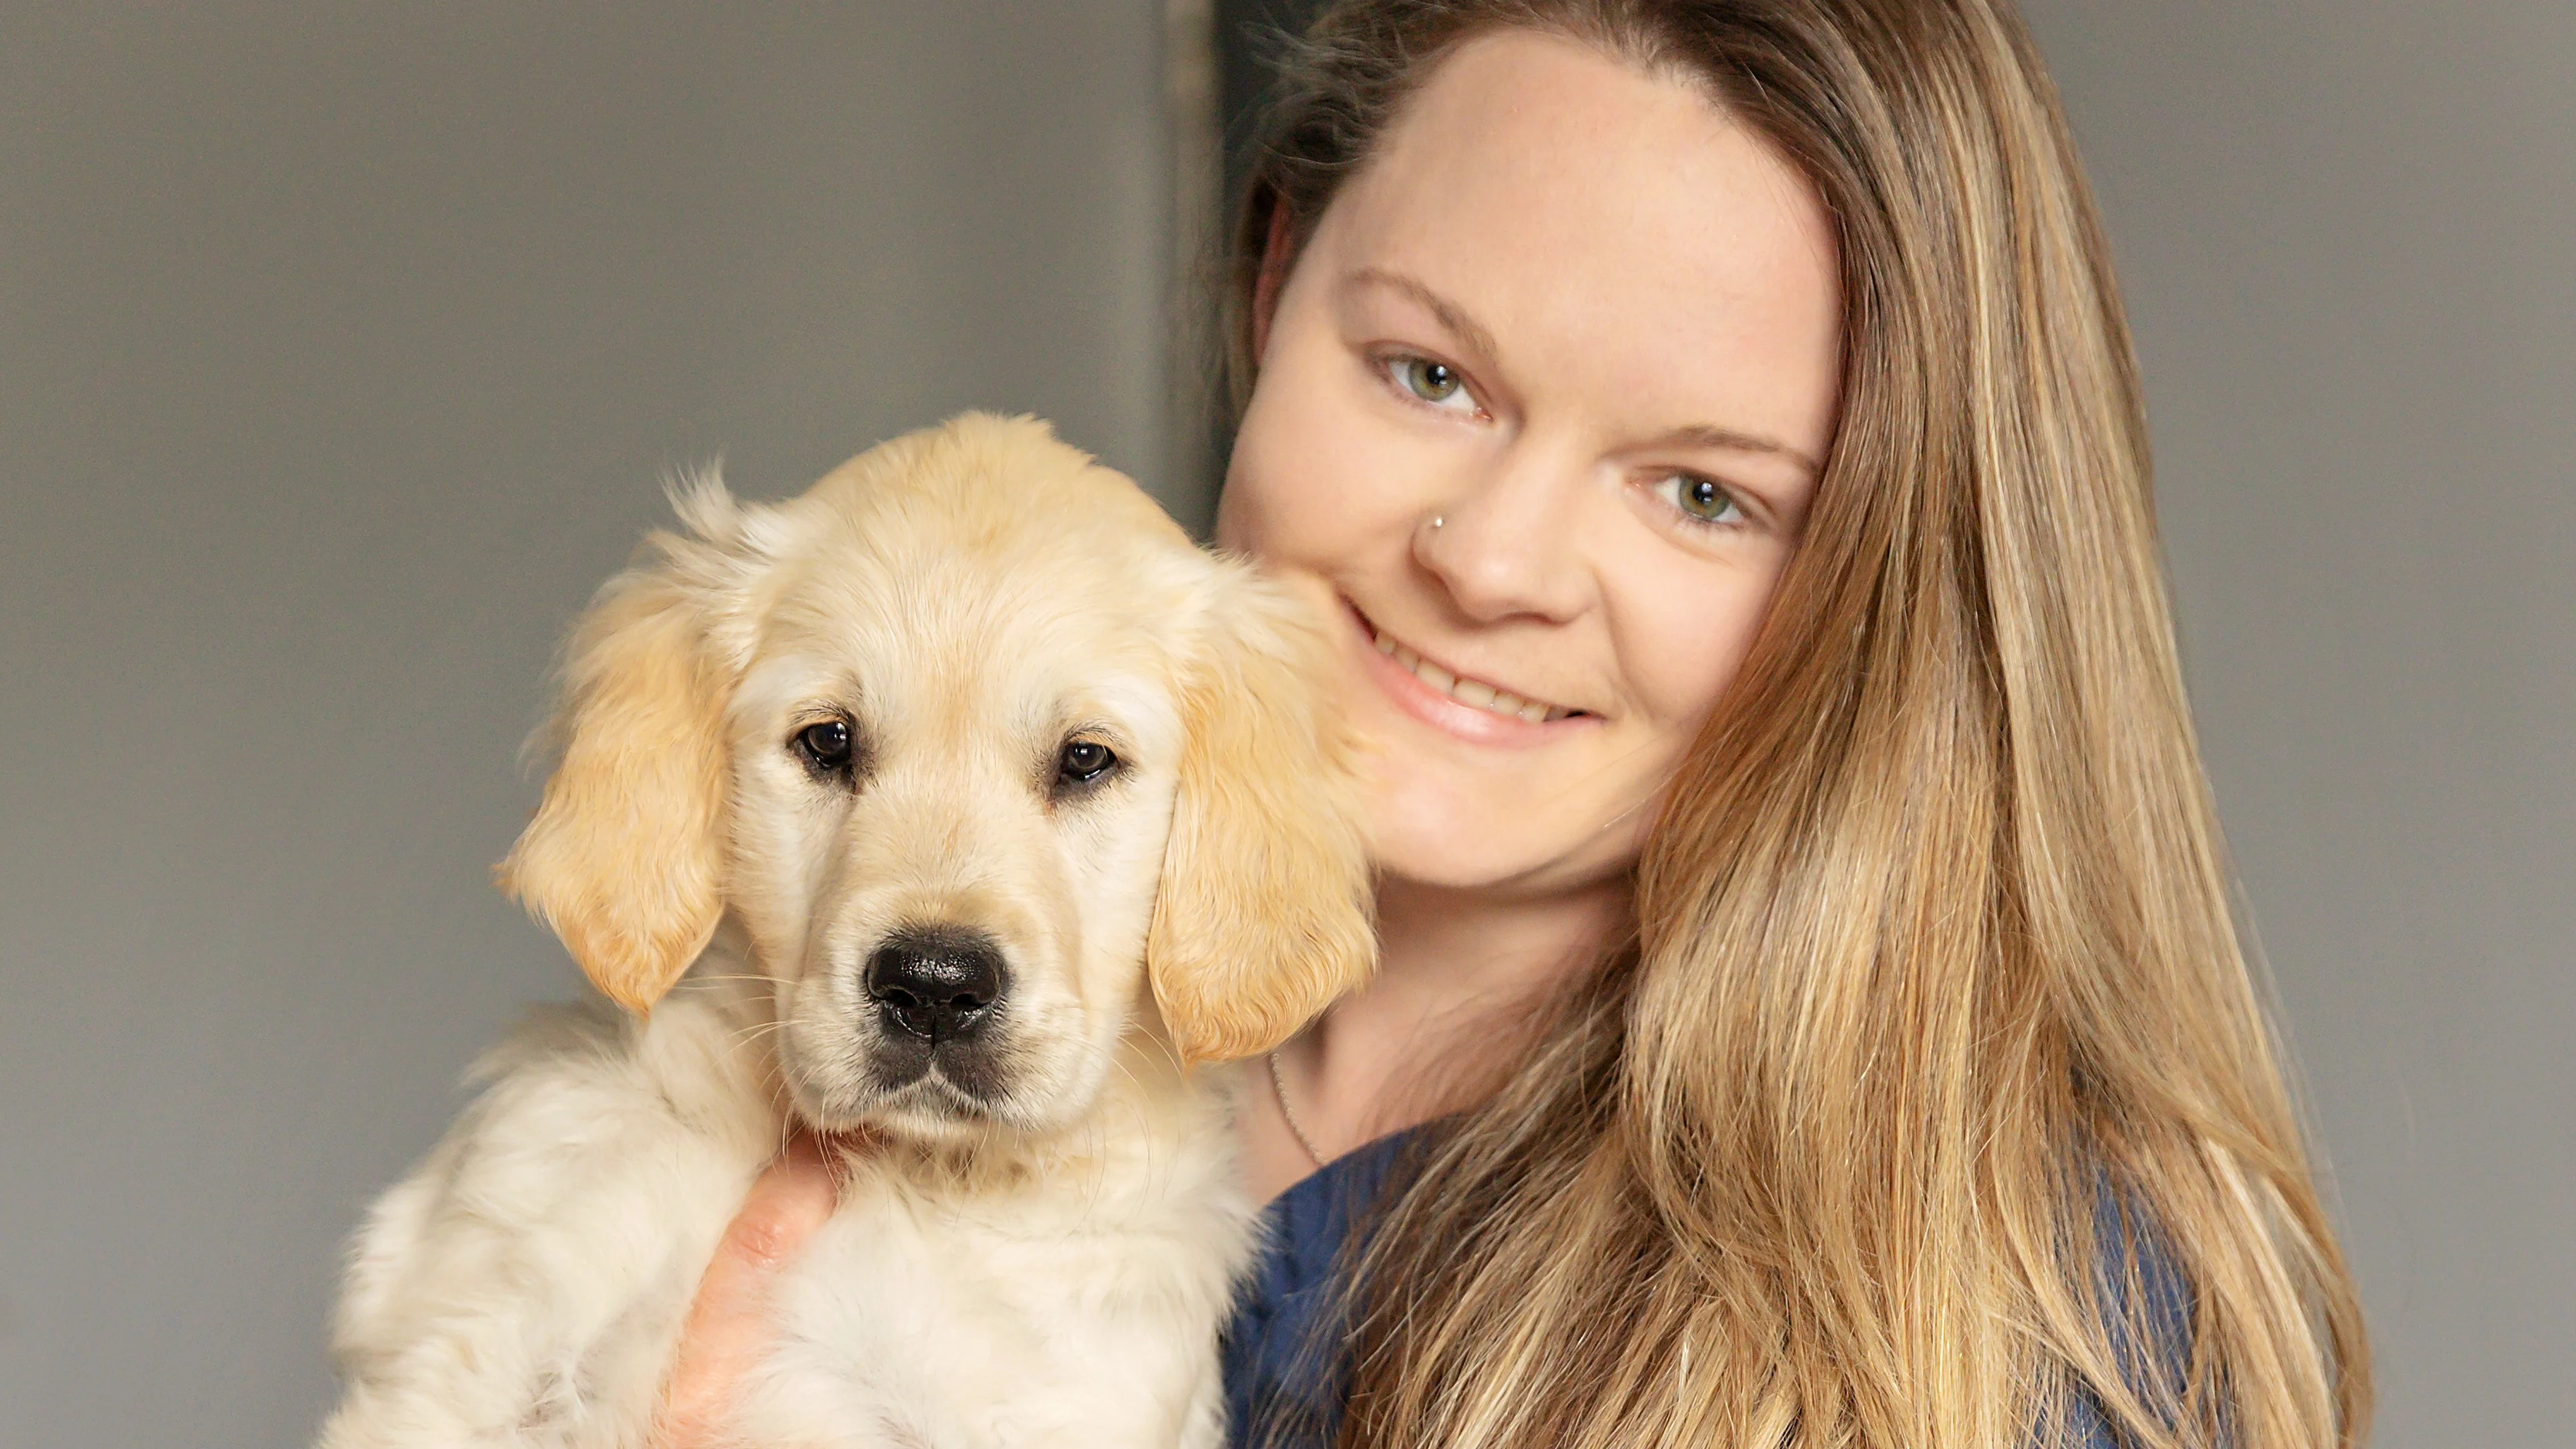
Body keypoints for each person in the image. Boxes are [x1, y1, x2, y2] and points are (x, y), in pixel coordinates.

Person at [660, 2, 2371, 1446]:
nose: (1488, 562)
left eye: (1703, 491)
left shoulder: (2022, 1323)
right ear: (1272, 290)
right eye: (1429, 375)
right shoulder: (878, 1002)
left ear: (1885, 582)